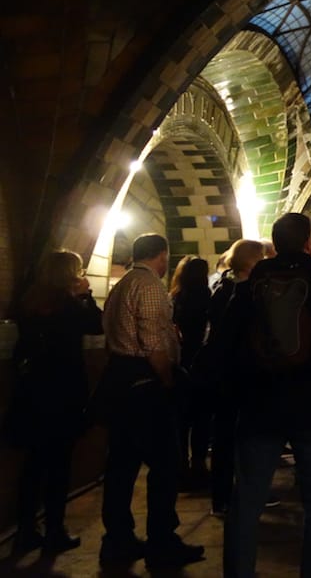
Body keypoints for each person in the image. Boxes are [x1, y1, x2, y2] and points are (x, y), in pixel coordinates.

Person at [221, 213, 311, 578]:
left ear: (274, 241)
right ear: (307, 242)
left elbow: (227, 343)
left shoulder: (251, 285)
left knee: (248, 499)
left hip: (260, 404)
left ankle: (239, 571)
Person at [99, 233, 204, 568]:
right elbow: (152, 344)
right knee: (166, 465)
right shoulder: (149, 286)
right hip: (146, 384)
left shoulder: (122, 284)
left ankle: (117, 539)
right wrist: (169, 381)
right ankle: (162, 541)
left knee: (121, 466)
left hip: (120, 382)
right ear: (162, 254)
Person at [5, 250, 103, 555]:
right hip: (62, 393)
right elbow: (97, 325)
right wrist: (87, 296)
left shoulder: (29, 302)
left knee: (32, 465)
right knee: (59, 465)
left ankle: (25, 530)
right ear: (69, 275)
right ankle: (55, 530)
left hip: (31, 393)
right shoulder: (70, 307)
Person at [202, 238, 266, 517]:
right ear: (252, 261)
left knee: (226, 437)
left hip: (225, 373)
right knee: (237, 439)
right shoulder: (245, 294)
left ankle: (225, 497)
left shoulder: (222, 288)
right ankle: (234, 497)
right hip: (239, 375)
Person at [170, 255, 212, 491]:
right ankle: (198, 465)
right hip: (201, 363)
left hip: (180, 362)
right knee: (201, 419)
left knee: (182, 420)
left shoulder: (176, 296)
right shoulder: (206, 297)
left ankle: (180, 467)